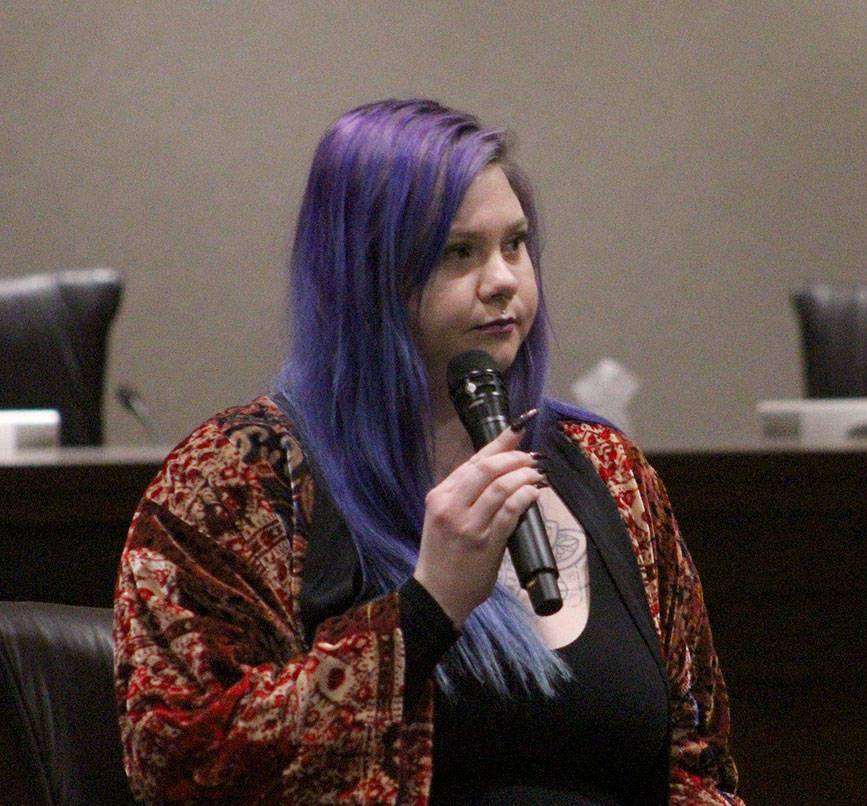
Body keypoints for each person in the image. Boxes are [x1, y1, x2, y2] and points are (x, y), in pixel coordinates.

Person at [113, 98, 743, 805]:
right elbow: (186, 769)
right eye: (458, 252)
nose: (503, 278)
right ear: (366, 274)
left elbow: (698, 763)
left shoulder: (609, 469)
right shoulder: (241, 479)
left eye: (515, 244)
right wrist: (426, 609)